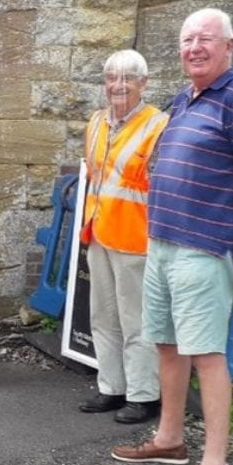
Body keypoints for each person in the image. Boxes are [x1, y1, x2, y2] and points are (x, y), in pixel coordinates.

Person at [109, 9, 233, 465]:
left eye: (206, 38)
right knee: (166, 344)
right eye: (187, 39)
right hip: (162, 243)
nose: (194, 47)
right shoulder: (185, 98)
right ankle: (169, 439)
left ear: (230, 45)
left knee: (207, 354)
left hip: (204, 249)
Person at [72, 50, 169, 424]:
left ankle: (144, 396)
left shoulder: (158, 125)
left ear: (144, 84)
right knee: (103, 317)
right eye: (112, 78)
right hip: (99, 232)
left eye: (128, 78)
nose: (119, 85)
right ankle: (111, 387)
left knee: (137, 322)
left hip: (136, 238)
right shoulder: (96, 122)